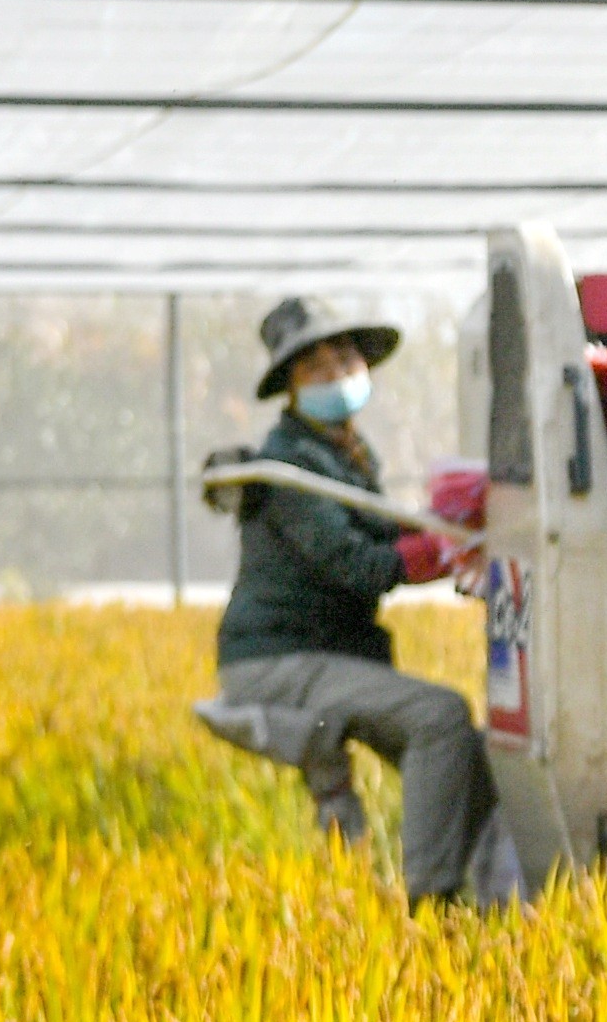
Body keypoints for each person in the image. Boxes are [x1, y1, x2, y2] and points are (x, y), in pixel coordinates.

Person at [207, 295, 505, 907]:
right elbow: (357, 563)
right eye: (313, 367)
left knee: (473, 757)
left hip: (326, 655)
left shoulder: (345, 453)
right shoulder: (290, 465)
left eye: (343, 358)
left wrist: (453, 523)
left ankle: (491, 898)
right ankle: (432, 906)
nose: (335, 374)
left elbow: (383, 531)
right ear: (289, 387)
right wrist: (444, 549)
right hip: (279, 660)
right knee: (440, 717)